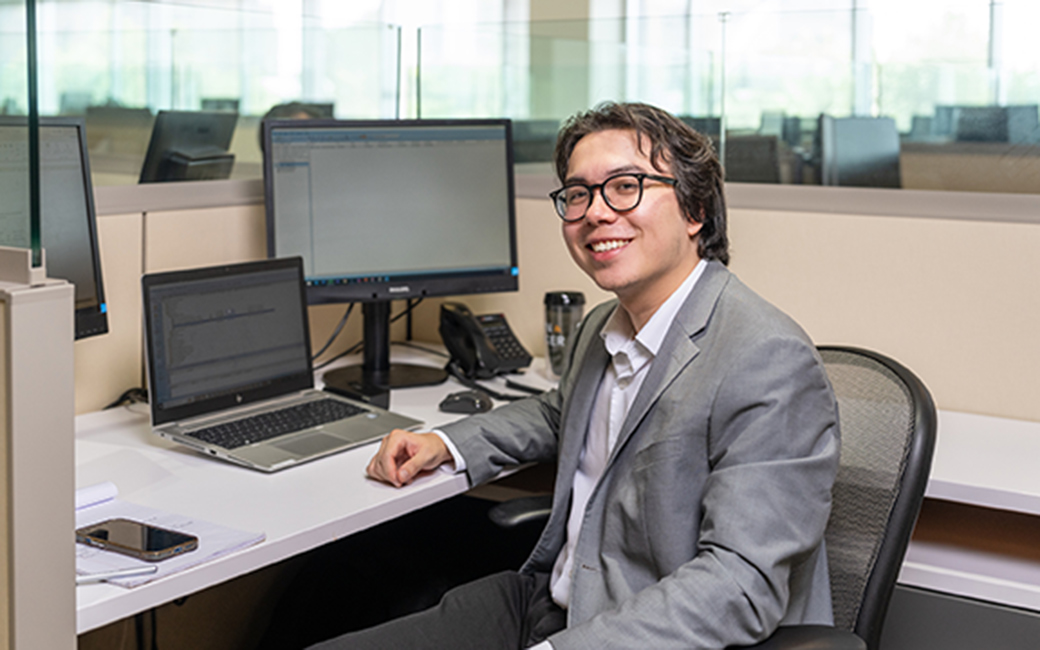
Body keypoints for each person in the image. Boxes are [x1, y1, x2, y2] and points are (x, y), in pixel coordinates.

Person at [312, 102, 840, 649]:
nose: (596, 212)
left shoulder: (766, 358)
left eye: (626, 187)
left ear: (695, 210)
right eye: (579, 193)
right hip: (551, 604)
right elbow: (560, 413)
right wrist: (445, 442)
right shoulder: (603, 325)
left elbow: (739, 586)